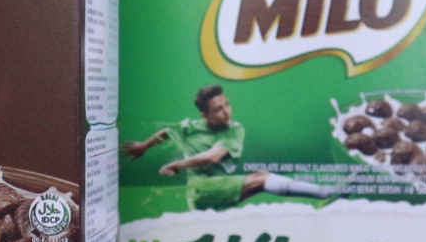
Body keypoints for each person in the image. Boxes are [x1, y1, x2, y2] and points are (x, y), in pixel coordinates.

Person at [126, 85, 332, 210]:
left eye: (227, 105)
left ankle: (326, 196)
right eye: (218, 109)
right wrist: (144, 146)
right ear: (205, 116)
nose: (226, 112)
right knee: (260, 179)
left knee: (260, 180)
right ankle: (325, 193)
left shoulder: (234, 130)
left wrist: (178, 164)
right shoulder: (191, 127)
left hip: (217, 188)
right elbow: (166, 132)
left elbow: (213, 157)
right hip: (201, 190)